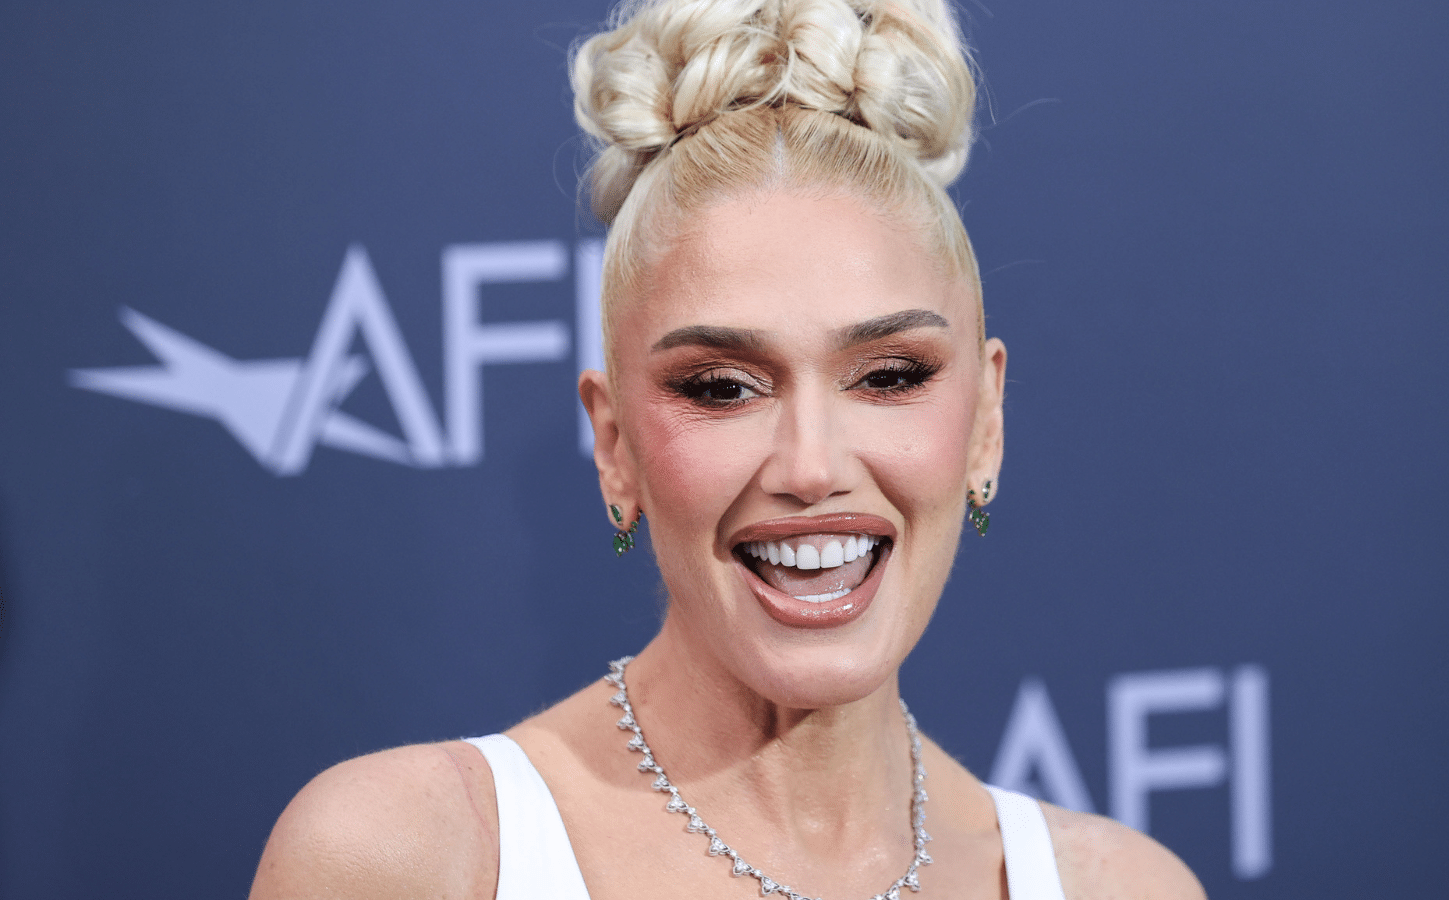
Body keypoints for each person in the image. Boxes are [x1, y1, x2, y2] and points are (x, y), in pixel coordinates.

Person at [249, 1, 1205, 898]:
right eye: (721, 388)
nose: (811, 468)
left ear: (986, 419)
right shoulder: (414, 860)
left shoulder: (1123, 886)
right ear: (615, 447)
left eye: (890, 376)